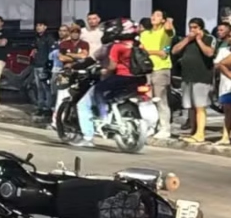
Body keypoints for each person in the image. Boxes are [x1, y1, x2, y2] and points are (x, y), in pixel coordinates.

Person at [72, 19, 139, 147]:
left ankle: (89, 135)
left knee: (84, 103)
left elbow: (98, 62)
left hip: (117, 78)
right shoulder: (137, 44)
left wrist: (74, 67)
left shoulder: (111, 47)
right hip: (137, 78)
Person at [171, 17, 217, 143]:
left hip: (201, 77)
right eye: (190, 27)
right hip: (187, 77)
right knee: (190, 107)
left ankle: (200, 133)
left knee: (199, 106)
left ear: (201, 28)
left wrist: (199, 40)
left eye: (195, 27)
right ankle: (193, 132)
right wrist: (187, 39)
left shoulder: (209, 38)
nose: (192, 30)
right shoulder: (187, 40)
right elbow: (174, 51)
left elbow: (209, 53)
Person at [139, 10, 175, 139]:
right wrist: (154, 52)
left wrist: (169, 21)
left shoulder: (165, 31)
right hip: (146, 69)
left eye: (158, 15)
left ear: (163, 20)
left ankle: (164, 128)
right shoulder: (145, 33)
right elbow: (141, 49)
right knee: (147, 100)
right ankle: (151, 126)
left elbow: (164, 52)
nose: (154, 17)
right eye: (153, 15)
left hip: (161, 68)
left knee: (160, 99)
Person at [30, 20, 56, 116]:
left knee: (46, 88)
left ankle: (47, 108)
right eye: (37, 25)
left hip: (44, 66)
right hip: (36, 65)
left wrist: (48, 65)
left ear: (45, 27)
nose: (38, 27)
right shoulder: (37, 38)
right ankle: (40, 107)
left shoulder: (49, 38)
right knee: (39, 87)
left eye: (40, 25)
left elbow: (52, 52)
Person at [214, 22, 231, 145]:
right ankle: (225, 136)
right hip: (227, 85)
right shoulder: (224, 49)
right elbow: (219, 64)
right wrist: (230, 75)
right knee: (228, 110)